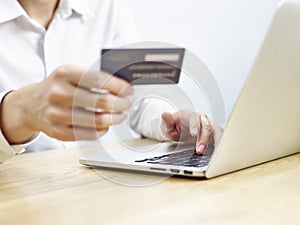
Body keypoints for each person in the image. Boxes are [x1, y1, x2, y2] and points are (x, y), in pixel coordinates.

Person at [0, 0, 216, 164]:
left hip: (87, 182)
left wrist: (170, 121)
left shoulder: (106, 6)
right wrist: (18, 112)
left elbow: (139, 96)